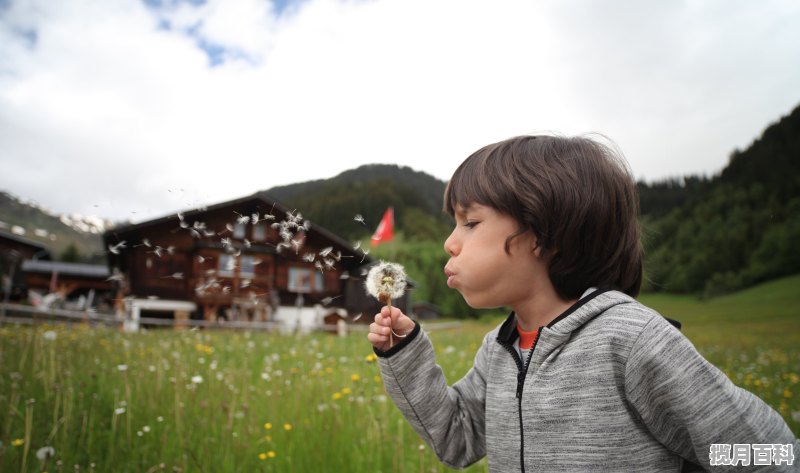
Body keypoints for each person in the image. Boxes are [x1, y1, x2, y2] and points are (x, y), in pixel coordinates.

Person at [367, 135, 798, 472]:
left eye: (471, 223)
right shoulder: (499, 351)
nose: (450, 242)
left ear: (543, 234)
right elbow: (455, 439)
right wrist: (403, 353)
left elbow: (770, 455)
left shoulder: (632, 342)